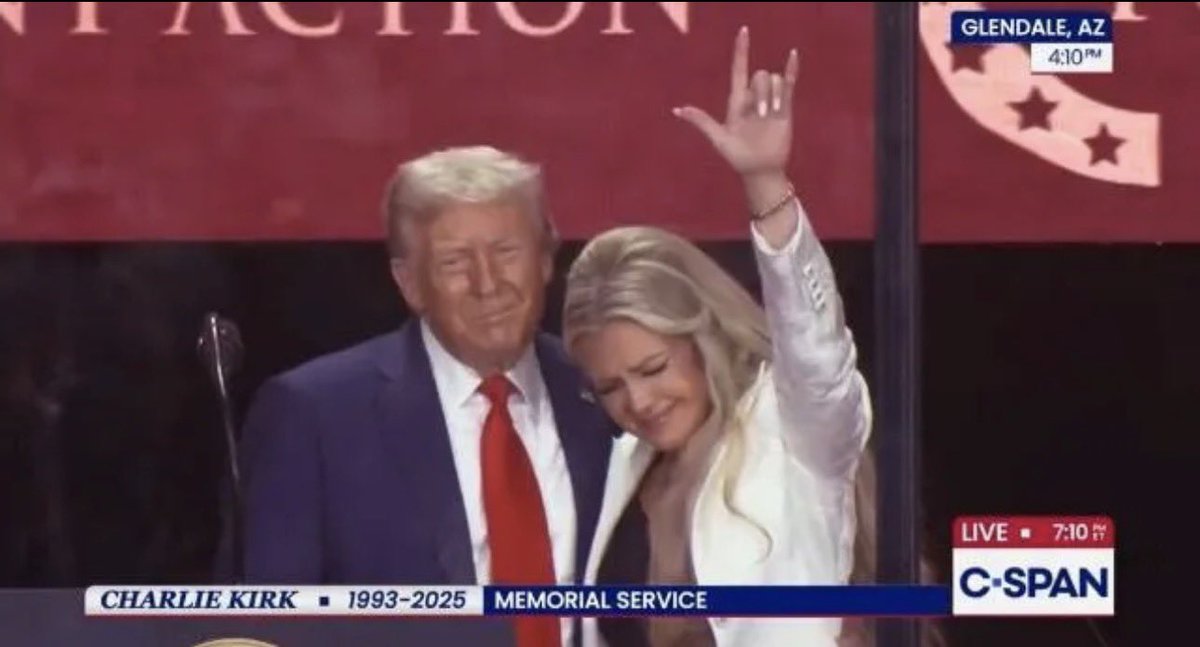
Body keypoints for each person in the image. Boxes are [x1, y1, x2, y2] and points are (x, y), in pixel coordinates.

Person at [562, 28, 873, 646]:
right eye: (611, 387)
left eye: (653, 368)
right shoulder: (625, 467)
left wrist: (765, 184)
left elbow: (816, 352)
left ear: (702, 339)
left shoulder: (792, 431)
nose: (639, 402)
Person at [236, 144, 616, 647]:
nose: (488, 284)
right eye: (455, 262)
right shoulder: (315, 415)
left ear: (546, 258)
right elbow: (270, 625)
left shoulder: (603, 389)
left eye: (507, 252)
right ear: (410, 283)